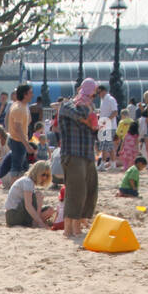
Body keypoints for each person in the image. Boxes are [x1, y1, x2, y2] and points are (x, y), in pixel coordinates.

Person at [58, 76, 99, 239]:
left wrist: (91, 120)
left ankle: (79, 224)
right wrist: (89, 117)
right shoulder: (67, 105)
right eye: (91, 94)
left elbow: (94, 126)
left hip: (87, 153)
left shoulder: (90, 107)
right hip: (72, 153)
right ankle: (69, 228)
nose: (92, 99)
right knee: (76, 190)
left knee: (90, 189)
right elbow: (78, 114)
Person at [3, 161, 55, 228]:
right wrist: (40, 222)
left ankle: (36, 221)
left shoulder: (29, 182)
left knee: (49, 210)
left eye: (47, 175)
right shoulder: (27, 182)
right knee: (38, 195)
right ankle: (37, 222)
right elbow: (28, 205)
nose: (44, 178)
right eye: (43, 175)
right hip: (13, 215)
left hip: (17, 214)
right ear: (37, 173)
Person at [6, 84, 33, 182]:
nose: (32, 95)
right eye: (30, 93)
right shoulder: (19, 108)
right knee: (16, 168)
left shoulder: (20, 105)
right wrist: (27, 145)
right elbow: (18, 128)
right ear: (25, 94)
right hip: (18, 141)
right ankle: (14, 190)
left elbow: (28, 120)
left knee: (21, 167)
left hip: (17, 140)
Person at [95, 84, 118, 169]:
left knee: (105, 145)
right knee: (108, 146)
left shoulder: (110, 99)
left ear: (103, 91)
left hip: (109, 125)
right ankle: (113, 164)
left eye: (99, 92)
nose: (98, 95)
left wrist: (106, 120)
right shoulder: (103, 100)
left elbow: (115, 112)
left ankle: (103, 164)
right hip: (104, 125)